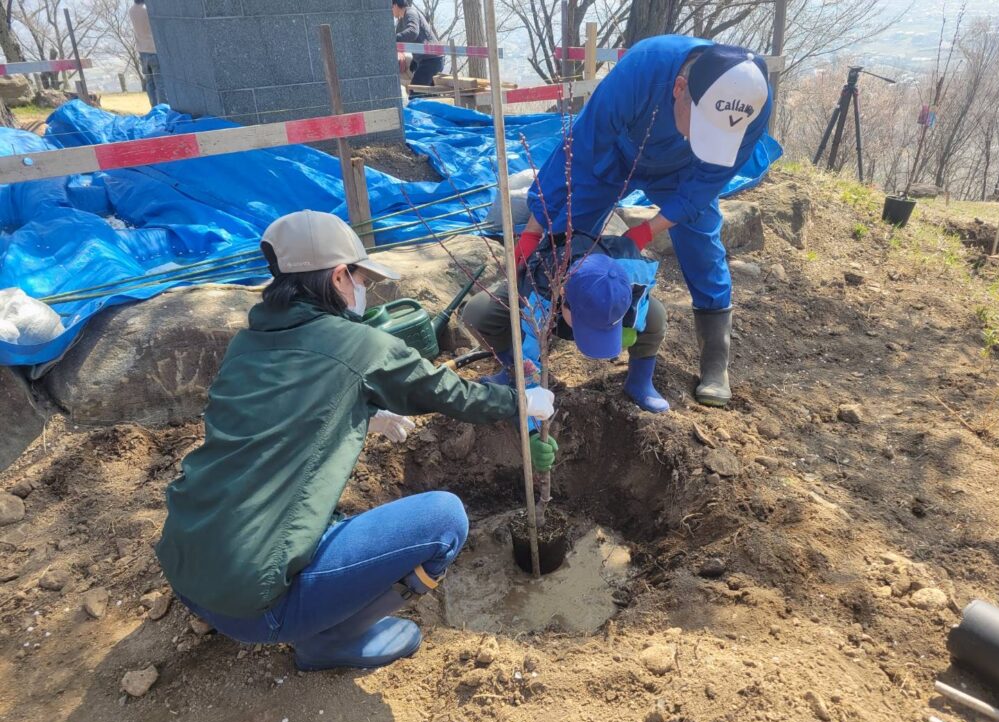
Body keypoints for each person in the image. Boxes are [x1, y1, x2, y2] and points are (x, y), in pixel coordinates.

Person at [155, 210, 555, 671]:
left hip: (187, 566)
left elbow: (290, 413)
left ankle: (252, 602)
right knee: (445, 518)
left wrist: (368, 410)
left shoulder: (248, 344)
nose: (363, 290)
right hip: (255, 608)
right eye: (361, 277)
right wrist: (519, 401)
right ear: (340, 275)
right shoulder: (358, 345)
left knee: (315, 506)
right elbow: (449, 393)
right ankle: (331, 642)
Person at [514, 37, 773, 408]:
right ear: (680, 88)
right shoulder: (641, 71)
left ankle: (716, 360)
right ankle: (535, 353)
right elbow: (579, 151)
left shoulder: (754, 102)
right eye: (700, 124)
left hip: (688, 172)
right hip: (613, 156)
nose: (700, 137)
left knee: (702, 244)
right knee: (566, 243)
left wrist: (646, 231)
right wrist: (536, 226)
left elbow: (707, 183)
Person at [462, 232, 664, 470]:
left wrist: (629, 329)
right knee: (479, 314)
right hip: (545, 295)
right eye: (587, 327)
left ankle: (639, 382)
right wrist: (531, 432)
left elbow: (641, 311)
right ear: (563, 297)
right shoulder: (539, 299)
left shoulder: (633, 277)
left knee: (657, 316)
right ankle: (508, 372)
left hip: (595, 293)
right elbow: (528, 363)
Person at [393, 0, 445, 94]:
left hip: (431, 60)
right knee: (427, 95)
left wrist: (392, 39)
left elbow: (413, 32)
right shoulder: (401, 20)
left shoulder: (410, 12)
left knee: (415, 93)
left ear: (396, 5)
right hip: (425, 60)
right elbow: (399, 36)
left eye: (390, 8)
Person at [130, 0, 163, 107]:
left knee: (149, 83)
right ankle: (163, 108)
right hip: (154, 50)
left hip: (142, 51)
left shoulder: (131, 10)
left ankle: (154, 107)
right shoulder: (148, 10)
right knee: (160, 83)